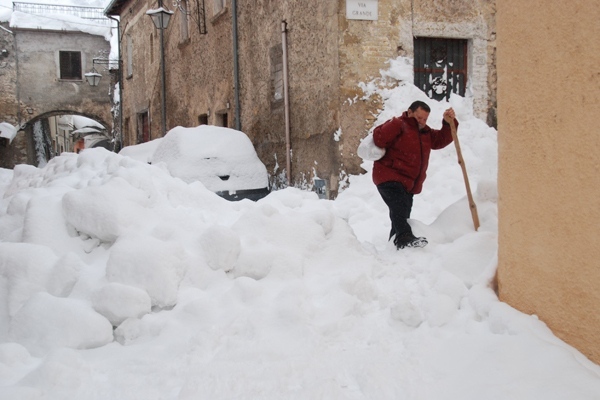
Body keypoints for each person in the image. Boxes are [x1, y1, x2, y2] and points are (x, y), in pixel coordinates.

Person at [372, 100, 457, 249]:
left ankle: (394, 246)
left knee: (402, 216)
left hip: (407, 184)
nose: (422, 122)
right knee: (398, 209)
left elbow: (441, 140)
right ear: (409, 112)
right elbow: (379, 139)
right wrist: (395, 123)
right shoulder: (399, 124)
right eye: (419, 118)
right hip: (389, 176)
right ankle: (404, 238)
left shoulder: (425, 133)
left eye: (425, 119)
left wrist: (448, 123)